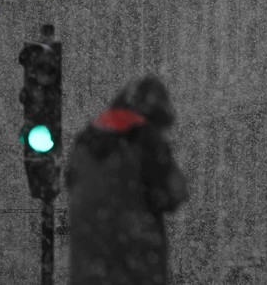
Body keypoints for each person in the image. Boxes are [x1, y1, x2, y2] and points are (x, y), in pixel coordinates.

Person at [65, 74, 189, 285]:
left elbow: (70, 181)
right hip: (135, 270)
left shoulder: (85, 139)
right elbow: (175, 192)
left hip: (87, 271)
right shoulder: (146, 138)